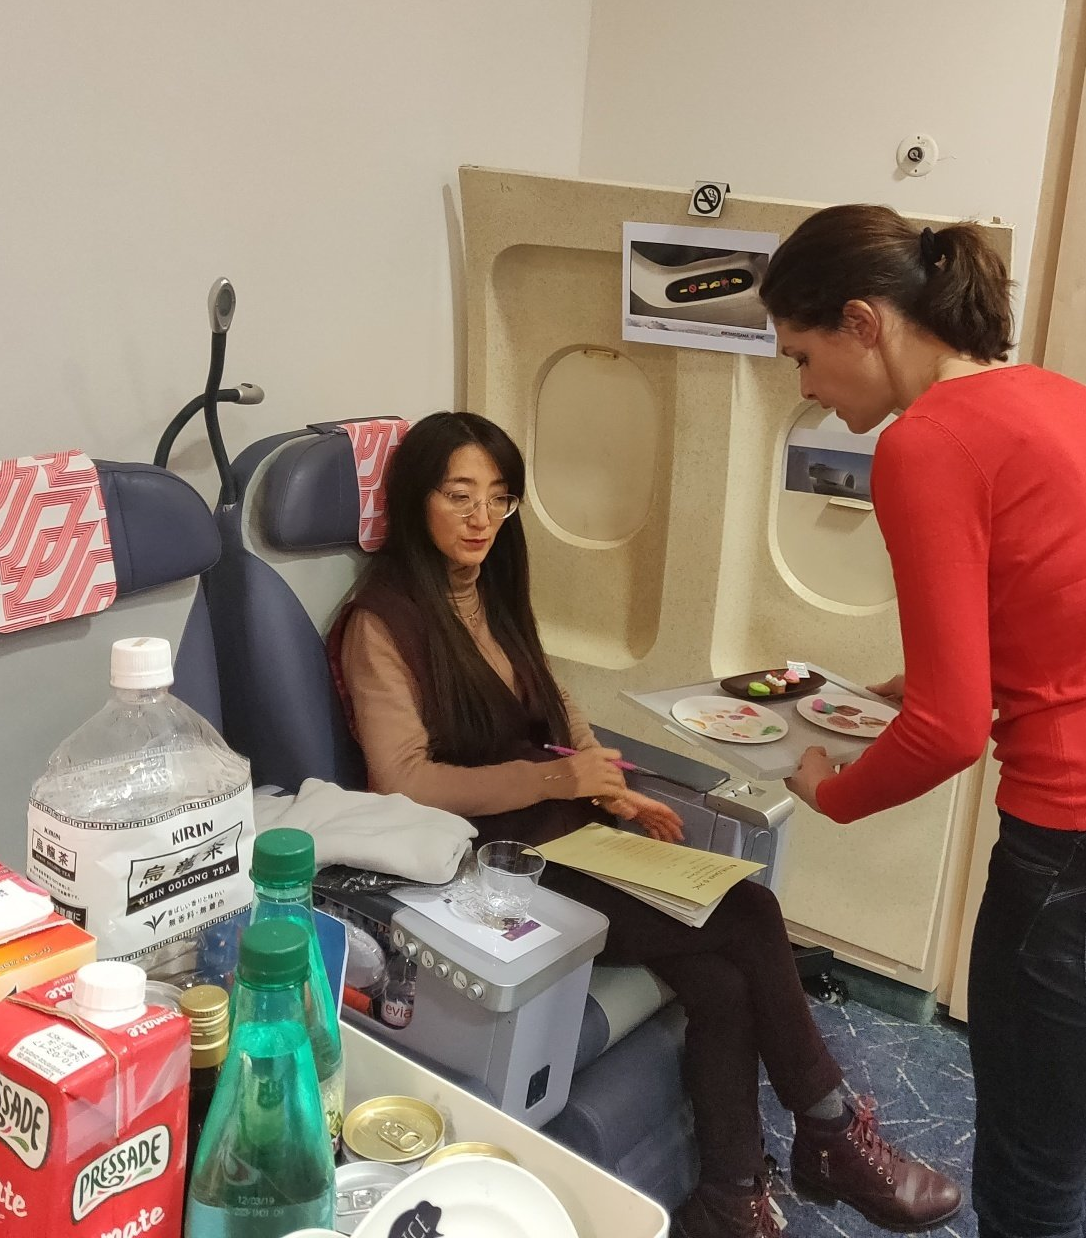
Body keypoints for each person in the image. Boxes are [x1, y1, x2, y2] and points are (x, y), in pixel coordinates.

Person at [328, 410, 960, 1238]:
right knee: (750, 912)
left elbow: (553, 699)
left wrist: (609, 782)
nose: (482, 519)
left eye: (499, 498)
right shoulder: (380, 623)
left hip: (562, 833)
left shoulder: (489, 590)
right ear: (418, 500)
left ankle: (730, 1199)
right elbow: (402, 780)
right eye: (458, 496)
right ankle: (830, 1129)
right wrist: (559, 777)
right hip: (490, 867)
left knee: (723, 979)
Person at [760, 203, 1086, 1238]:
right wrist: (945, 674)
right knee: (1061, 1133)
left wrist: (829, 793)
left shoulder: (926, 443)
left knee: (1031, 1179)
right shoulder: (1075, 403)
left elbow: (946, 735)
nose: (804, 389)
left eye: (802, 356)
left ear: (863, 322)